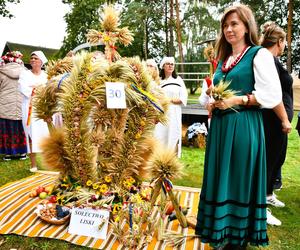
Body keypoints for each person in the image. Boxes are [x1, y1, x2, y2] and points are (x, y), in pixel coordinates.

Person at [195, 4, 291, 249]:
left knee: (238, 180)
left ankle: (236, 239)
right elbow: (214, 92)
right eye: (225, 25)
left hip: (243, 128)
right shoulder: (224, 59)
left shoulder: (258, 55)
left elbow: (271, 94)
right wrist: (212, 99)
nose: (229, 29)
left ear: (247, 26)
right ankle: (222, 232)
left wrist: (237, 99)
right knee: (222, 179)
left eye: (234, 24)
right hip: (221, 131)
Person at [260, 22, 293, 223]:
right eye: (285, 42)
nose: (285, 45)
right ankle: (260, 208)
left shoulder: (274, 60)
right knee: (268, 163)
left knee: (276, 161)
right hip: (272, 122)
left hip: (279, 123)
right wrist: (283, 118)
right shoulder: (267, 61)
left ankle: (268, 195)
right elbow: (271, 93)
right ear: (279, 41)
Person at [19, 51, 50, 172]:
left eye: (35, 58)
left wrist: (35, 88)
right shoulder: (25, 74)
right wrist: (38, 89)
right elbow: (23, 88)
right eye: (31, 58)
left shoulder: (46, 75)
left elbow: (48, 90)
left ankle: (49, 161)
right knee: (31, 134)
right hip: (29, 107)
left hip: (43, 107)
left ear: (41, 62)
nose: (32, 60)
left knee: (45, 135)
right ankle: (33, 164)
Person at [154, 56, 188, 158]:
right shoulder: (158, 81)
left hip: (174, 113)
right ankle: (159, 159)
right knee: (160, 135)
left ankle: (171, 161)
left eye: (172, 64)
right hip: (161, 113)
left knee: (173, 135)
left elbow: (183, 98)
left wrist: (169, 100)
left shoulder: (178, 80)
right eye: (168, 64)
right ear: (163, 66)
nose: (170, 66)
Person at [0, 51, 27, 160]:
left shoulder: (1, 72)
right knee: (21, 128)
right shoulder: (25, 72)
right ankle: (22, 153)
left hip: (5, 105)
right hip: (21, 104)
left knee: (8, 129)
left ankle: (8, 153)